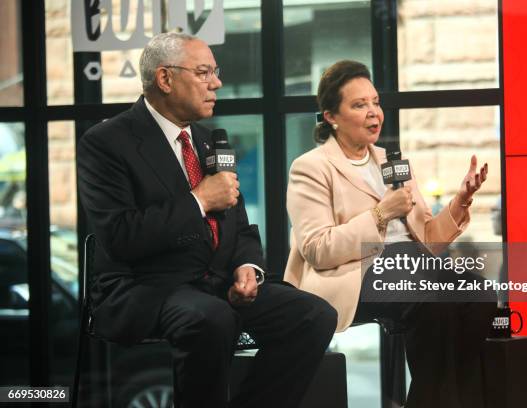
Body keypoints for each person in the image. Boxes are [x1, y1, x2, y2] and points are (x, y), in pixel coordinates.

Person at [77, 32, 337, 408]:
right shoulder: (106, 142)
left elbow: (241, 228)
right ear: (165, 79)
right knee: (212, 319)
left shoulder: (208, 141)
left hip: (214, 283)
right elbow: (120, 236)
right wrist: (199, 200)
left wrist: (248, 267)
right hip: (146, 287)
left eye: (215, 72)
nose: (216, 83)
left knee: (313, 315)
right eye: (203, 72)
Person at [285, 60, 496, 408]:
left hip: (414, 267)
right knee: (434, 299)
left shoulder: (392, 160)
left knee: (481, 295)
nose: (373, 113)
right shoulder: (311, 166)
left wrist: (462, 200)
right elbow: (317, 248)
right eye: (359, 105)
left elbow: (429, 240)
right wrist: (381, 213)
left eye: (375, 102)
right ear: (331, 117)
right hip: (357, 272)